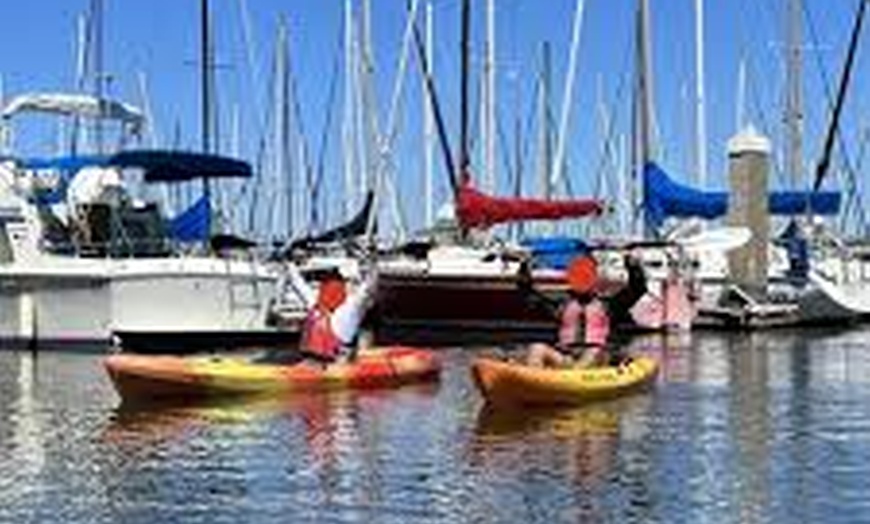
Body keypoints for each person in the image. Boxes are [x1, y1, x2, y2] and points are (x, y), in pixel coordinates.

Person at [518, 251, 647, 368]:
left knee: (594, 352)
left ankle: (573, 376)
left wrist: (633, 266)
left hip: (598, 358)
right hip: (566, 358)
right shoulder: (561, 305)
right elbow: (529, 295)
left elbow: (637, 289)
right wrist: (524, 267)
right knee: (537, 348)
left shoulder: (609, 306)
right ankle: (535, 380)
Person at [283, 264, 378, 364]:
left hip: (336, 365)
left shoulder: (348, 310)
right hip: (311, 364)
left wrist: (374, 268)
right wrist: (290, 267)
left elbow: (366, 290)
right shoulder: (317, 306)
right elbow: (300, 286)